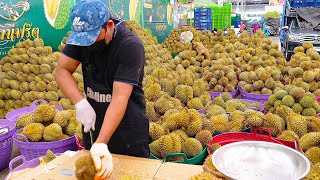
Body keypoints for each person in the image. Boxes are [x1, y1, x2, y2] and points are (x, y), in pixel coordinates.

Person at [55, 0, 150, 178]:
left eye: (93, 38)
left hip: (127, 130)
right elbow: (61, 70)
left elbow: (119, 97)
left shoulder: (130, 46)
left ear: (109, 25)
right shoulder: (82, 37)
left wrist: (102, 142)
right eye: (83, 40)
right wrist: (80, 103)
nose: (88, 45)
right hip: (95, 126)